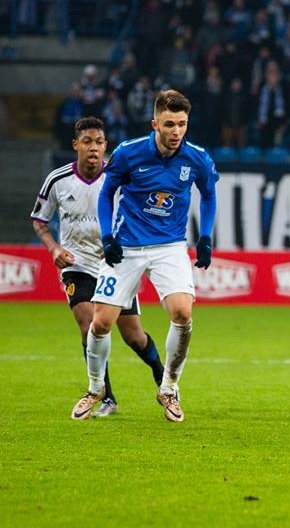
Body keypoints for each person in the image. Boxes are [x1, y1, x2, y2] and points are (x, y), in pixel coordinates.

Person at [71, 90, 219, 423]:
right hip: (127, 246)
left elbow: (209, 195)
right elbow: (107, 193)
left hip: (169, 246)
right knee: (101, 323)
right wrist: (108, 237)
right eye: (169, 124)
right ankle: (96, 388)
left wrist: (206, 235)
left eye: (182, 124)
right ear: (155, 123)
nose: (176, 131)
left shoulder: (197, 158)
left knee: (182, 313)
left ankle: (169, 387)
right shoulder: (128, 153)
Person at [31, 116, 165, 418]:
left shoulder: (117, 179)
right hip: (76, 265)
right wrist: (54, 249)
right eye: (88, 142)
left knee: (134, 336)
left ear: (106, 146)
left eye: (100, 142)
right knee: (89, 324)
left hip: (115, 265)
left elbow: (139, 214)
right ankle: (106, 396)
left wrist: (127, 248)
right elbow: (39, 220)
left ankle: (162, 377)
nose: (94, 148)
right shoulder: (57, 180)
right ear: (76, 145)